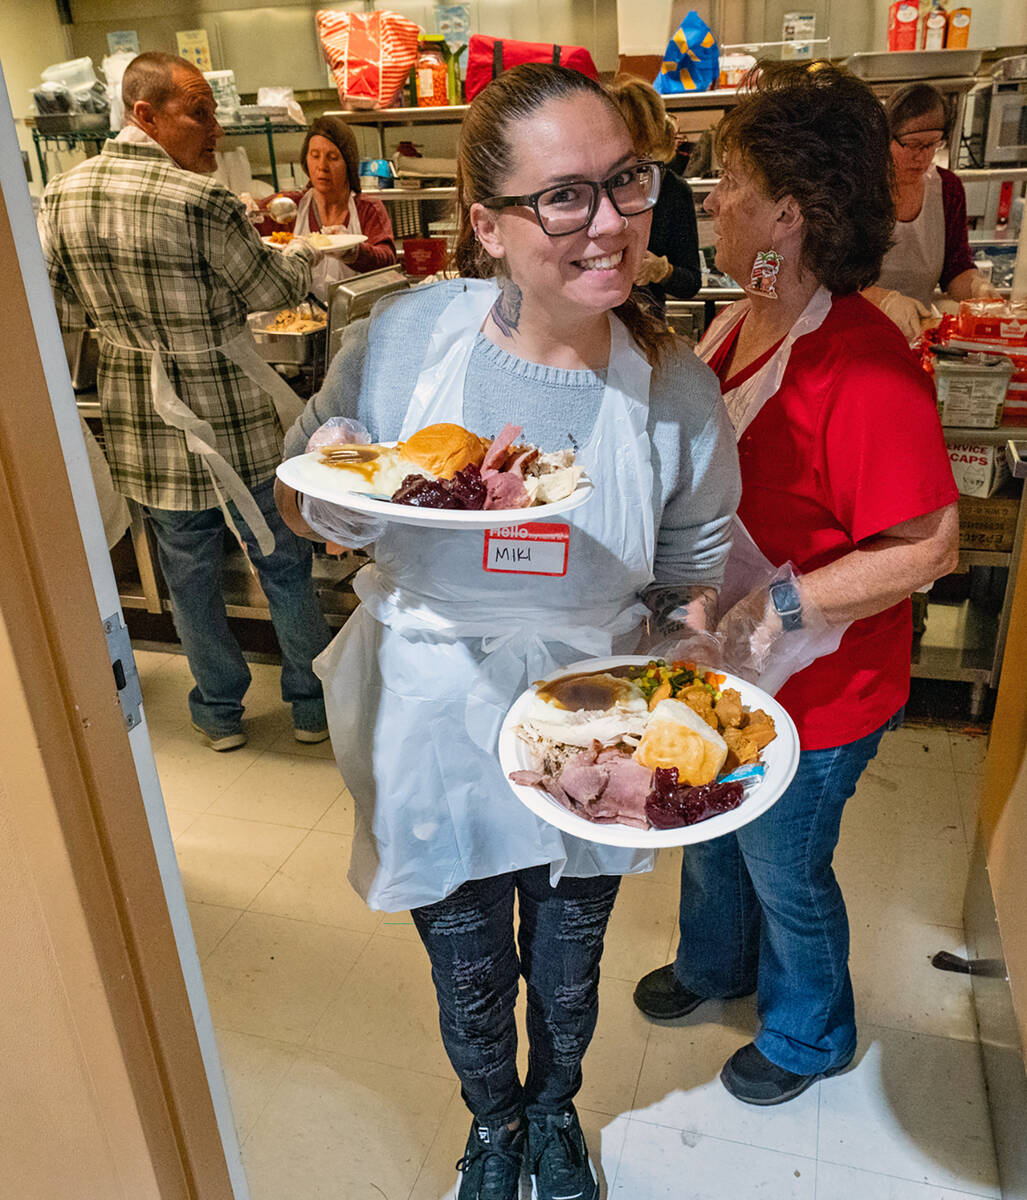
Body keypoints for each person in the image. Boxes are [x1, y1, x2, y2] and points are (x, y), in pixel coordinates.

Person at [275, 62, 740, 1200]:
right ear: (485, 224)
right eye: (564, 197)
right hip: (430, 699)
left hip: (589, 705)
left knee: (570, 958)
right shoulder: (402, 340)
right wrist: (330, 499)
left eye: (626, 184)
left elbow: (690, 571)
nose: (611, 223)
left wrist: (694, 658)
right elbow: (311, 484)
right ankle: (493, 1122)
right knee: (468, 957)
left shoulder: (671, 386)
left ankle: (554, 1112)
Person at [633, 62, 959, 1106]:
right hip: (731, 659)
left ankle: (810, 1032)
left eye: (728, 185)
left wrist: (782, 607)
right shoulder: (741, 322)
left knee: (783, 858)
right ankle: (712, 965)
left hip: (822, 686)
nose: (712, 205)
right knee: (709, 809)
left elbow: (929, 543)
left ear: (785, 212)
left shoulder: (861, 362)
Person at [40, 52, 332, 751]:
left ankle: (219, 713)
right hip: (227, 411)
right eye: (198, 111)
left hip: (140, 415)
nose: (216, 131)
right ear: (144, 114)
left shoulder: (60, 195)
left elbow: (58, 304)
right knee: (281, 558)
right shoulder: (200, 201)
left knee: (188, 573)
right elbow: (273, 292)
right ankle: (311, 704)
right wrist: (303, 249)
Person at [864, 82, 996, 340]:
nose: (922, 156)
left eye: (932, 144)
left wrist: (976, 288)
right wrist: (886, 301)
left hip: (917, 334)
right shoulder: (860, 190)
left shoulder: (948, 189)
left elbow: (954, 268)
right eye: (912, 144)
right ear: (886, 139)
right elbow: (835, 281)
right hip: (860, 331)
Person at [253, 115, 397, 300]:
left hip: (358, 319)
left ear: (348, 163)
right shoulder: (289, 207)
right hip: (301, 321)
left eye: (333, 157)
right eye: (315, 156)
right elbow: (245, 226)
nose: (322, 166)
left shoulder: (368, 209)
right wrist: (247, 210)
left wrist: (354, 252)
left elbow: (388, 262)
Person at [609, 77, 702, 315]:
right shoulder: (596, 187)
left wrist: (662, 270)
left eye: (641, 158)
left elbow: (691, 282)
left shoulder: (673, 190)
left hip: (645, 323)